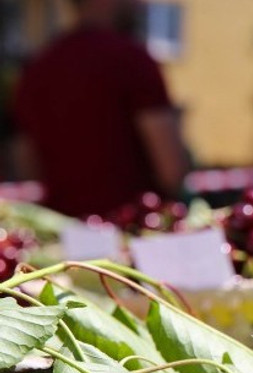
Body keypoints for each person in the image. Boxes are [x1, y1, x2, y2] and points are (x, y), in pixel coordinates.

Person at [12, 0, 187, 217]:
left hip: (64, 234)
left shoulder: (37, 68)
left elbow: (26, 164)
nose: (140, 5)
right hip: (132, 230)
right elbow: (171, 169)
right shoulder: (133, 60)